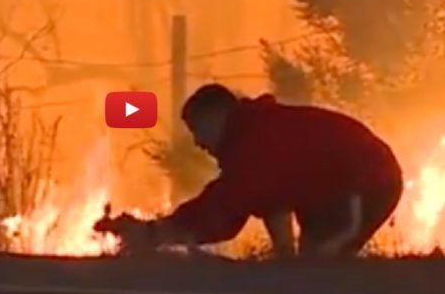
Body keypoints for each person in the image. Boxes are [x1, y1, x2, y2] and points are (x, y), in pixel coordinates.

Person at [95, 84, 403, 257]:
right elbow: (272, 200)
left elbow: (224, 208)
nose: (198, 143)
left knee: (316, 273)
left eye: (197, 129)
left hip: (366, 182)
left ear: (217, 116)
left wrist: (154, 234)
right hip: (335, 189)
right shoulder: (254, 134)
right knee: (304, 271)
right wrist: (284, 253)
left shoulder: (254, 142)